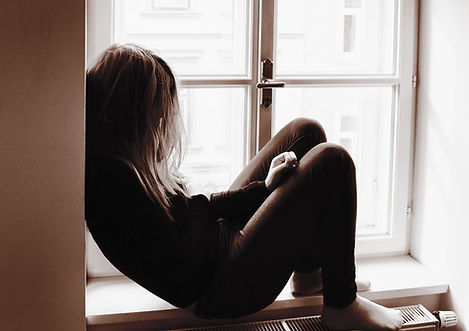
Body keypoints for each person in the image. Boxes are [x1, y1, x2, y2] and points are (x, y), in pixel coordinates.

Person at [85, 43, 403, 330]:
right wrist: (198, 202)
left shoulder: (123, 163)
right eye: (157, 115)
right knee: (333, 161)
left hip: (220, 246)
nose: (162, 126)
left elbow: (199, 212)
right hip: (221, 287)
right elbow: (186, 271)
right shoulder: (113, 182)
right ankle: (341, 305)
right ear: (130, 116)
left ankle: (309, 274)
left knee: (305, 132)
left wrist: (264, 188)